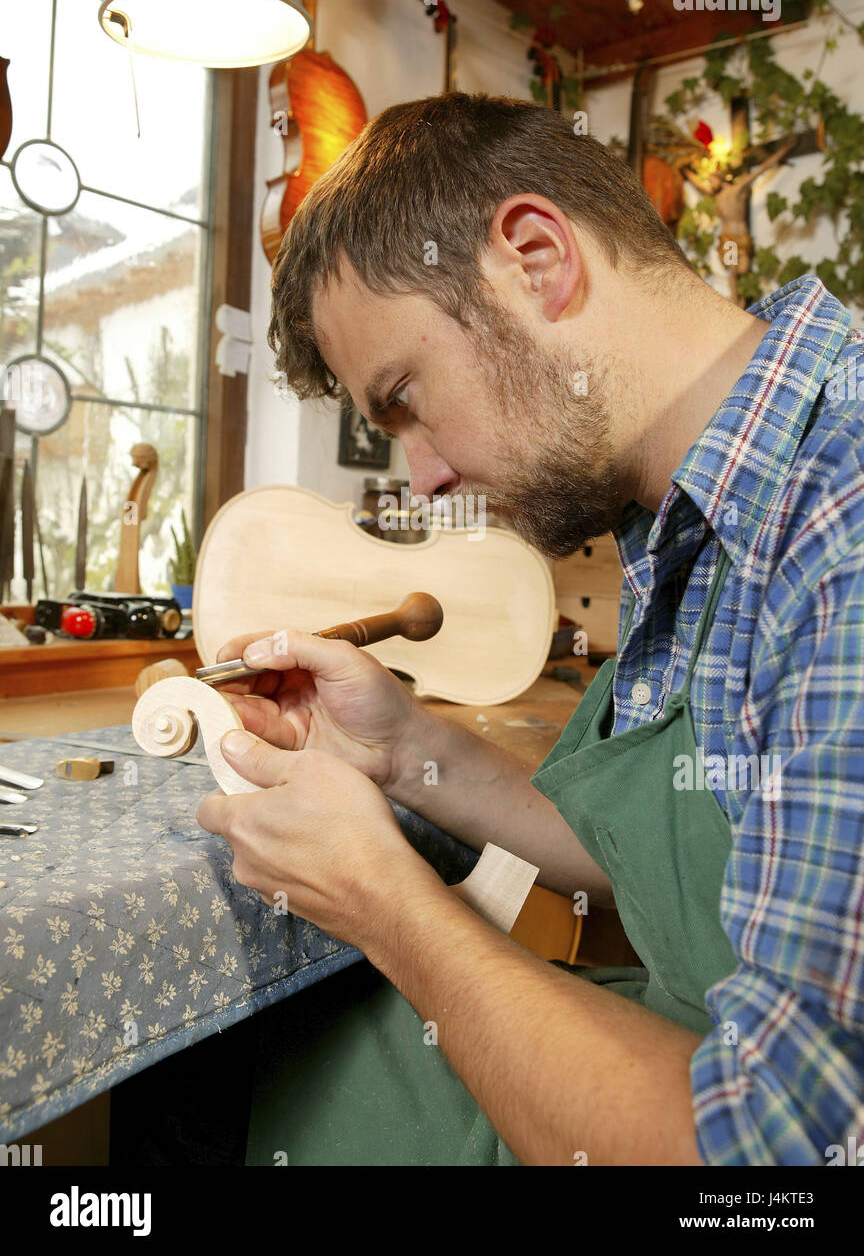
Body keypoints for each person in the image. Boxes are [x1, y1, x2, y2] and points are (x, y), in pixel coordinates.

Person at [197, 92, 864, 1166]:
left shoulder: (840, 515)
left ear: (538, 259)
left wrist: (389, 906)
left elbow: (768, 1161)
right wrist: (408, 749)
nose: (424, 476)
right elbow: (645, 854)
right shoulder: (682, 514)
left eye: (406, 395)